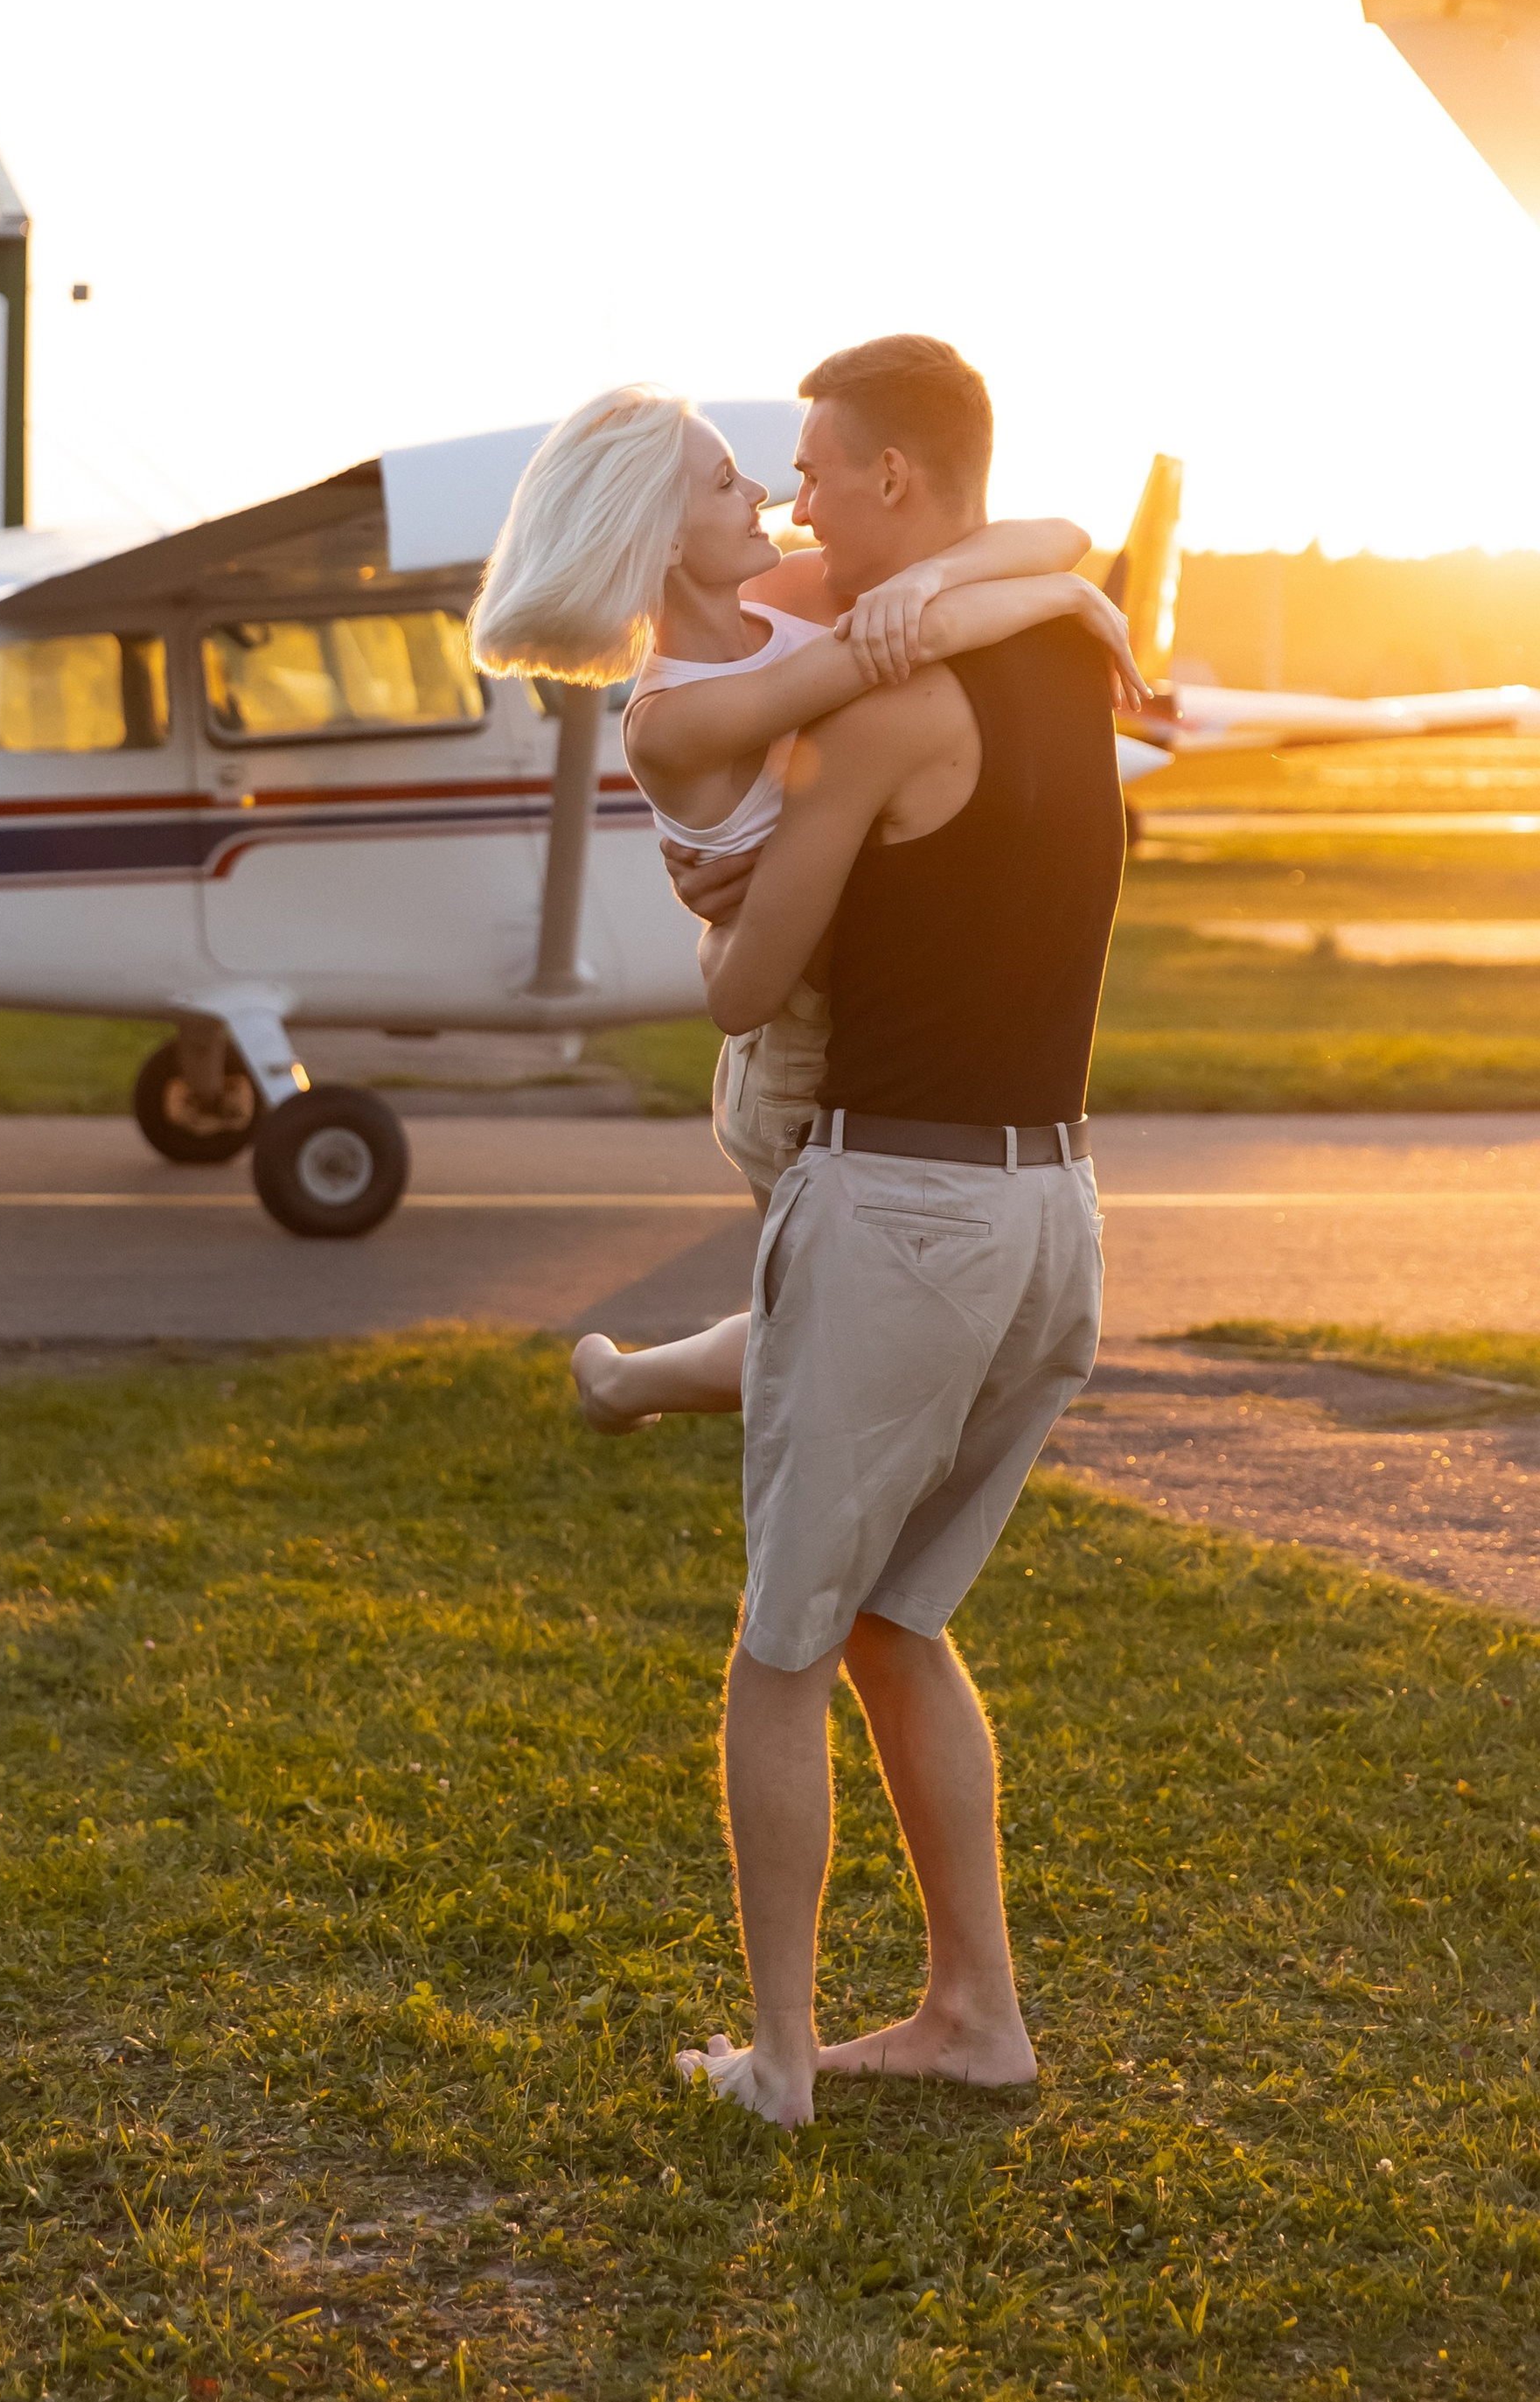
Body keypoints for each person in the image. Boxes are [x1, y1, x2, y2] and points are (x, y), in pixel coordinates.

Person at [652, 335, 1125, 2128]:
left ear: (895, 480)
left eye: (813, 470)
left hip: (903, 1208)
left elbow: (740, 993)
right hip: (1051, 1209)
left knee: (782, 1646)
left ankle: (777, 2064)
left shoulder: (881, 711)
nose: (793, 501)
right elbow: (1043, 550)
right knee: (893, 1625)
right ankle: (971, 2016)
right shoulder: (1063, 652)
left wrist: (714, 894)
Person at [466, 383, 1137, 1430]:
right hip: (794, 1055)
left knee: (835, 1334)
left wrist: (961, 575)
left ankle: (625, 1383)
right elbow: (900, 646)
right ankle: (633, 1388)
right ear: (663, 534)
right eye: (724, 481)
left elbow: (1059, 533)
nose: (763, 493)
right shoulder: (672, 717)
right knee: (840, 1343)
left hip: (861, 1013)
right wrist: (1064, 602)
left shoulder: (779, 592)